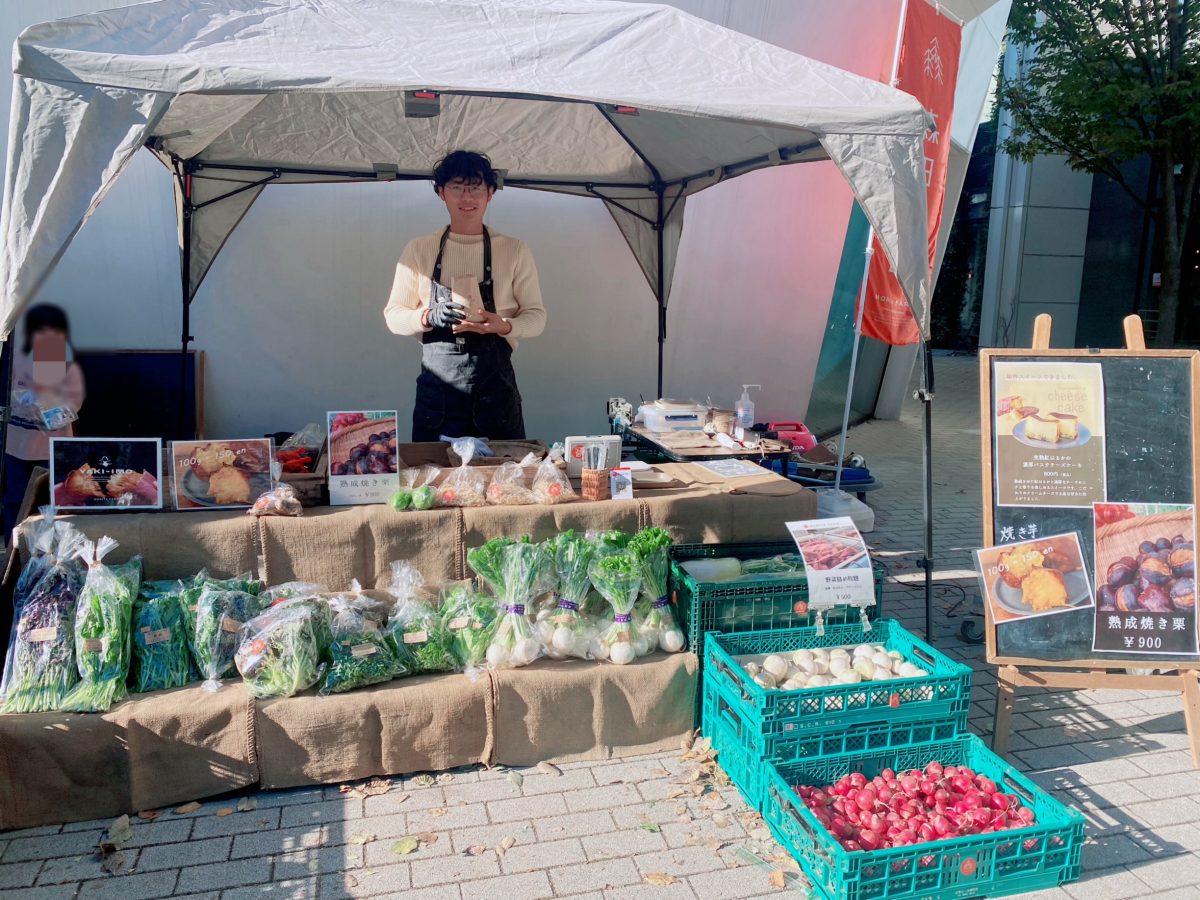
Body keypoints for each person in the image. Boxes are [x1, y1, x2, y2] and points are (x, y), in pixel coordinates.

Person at [384, 150, 546, 441]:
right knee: (431, 481)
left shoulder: (513, 249)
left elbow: (536, 316)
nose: (467, 198)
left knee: (503, 481)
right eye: (457, 188)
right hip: (439, 400)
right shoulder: (420, 249)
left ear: (491, 193)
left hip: (496, 396)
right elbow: (393, 317)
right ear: (441, 193)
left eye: (476, 188)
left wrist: (504, 326)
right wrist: (427, 316)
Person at [4, 304, 85, 536]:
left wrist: (46, 407)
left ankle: (50, 552)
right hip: (16, 447)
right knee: (15, 500)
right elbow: (7, 395)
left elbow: (73, 406)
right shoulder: (14, 359)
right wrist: (23, 403)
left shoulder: (67, 364)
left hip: (53, 449)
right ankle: (14, 547)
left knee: (55, 502)